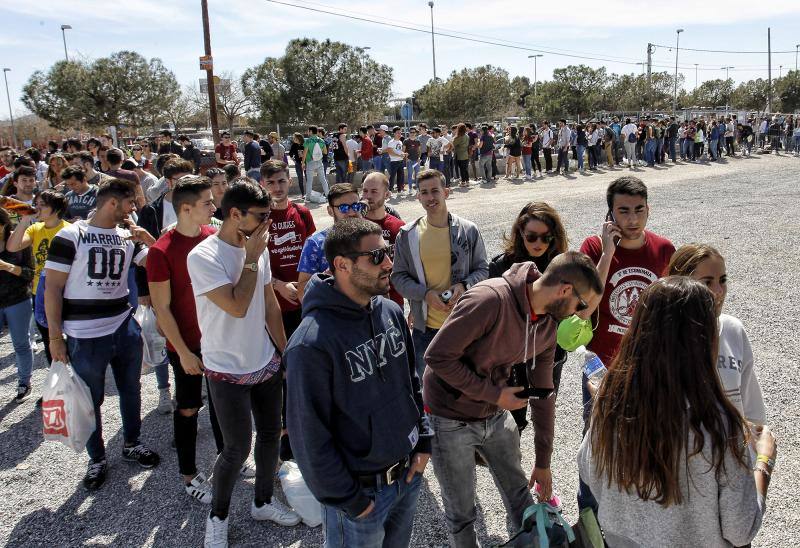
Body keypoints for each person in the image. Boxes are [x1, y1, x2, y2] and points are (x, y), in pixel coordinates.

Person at [578, 276, 776, 547]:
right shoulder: (717, 424)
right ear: (703, 339)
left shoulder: (610, 405)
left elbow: (590, 473)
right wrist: (764, 461)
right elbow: (740, 529)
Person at [425, 252, 603, 547]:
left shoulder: (547, 326)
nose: (577, 314)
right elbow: (437, 357)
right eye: (580, 306)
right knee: (462, 513)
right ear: (565, 290)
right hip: (449, 417)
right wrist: (495, 394)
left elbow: (544, 393)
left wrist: (544, 461)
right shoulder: (489, 299)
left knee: (521, 496)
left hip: (495, 413)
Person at [285, 217, 432, 548]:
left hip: (407, 475)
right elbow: (308, 436)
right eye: (377, 256)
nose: (390, 264)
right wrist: (349, 499)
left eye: (389, 252)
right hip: (361, 494)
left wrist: (424, 441)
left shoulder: (391, 312)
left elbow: (411, 383)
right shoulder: (310, 345)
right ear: (342, 265)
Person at [187, 181, 300, 547]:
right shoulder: (203, 256)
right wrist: (251, 258)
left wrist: (285, 353)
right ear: (235, 214)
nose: (269, 222)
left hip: (264, 362)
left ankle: (263, 501)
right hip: (226, 369)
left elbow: (269, 305)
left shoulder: (258, 248)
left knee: (270, 436)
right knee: (235, 449)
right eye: (262, 216)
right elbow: (236, 305)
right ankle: (217, 516)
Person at [44, 179, 160, 491]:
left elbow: (156, 261)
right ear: (112, 203)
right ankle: (97, 458)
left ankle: (131, 443)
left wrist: (150, 239)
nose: (134, 208)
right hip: (84, 335)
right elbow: (53, 287)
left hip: (124, 326)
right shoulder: (72, 235)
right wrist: (56, 337)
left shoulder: (128, 235)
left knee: (131, 389)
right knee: (90, 398)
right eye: (130, 203)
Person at [578, 176, 675, 510]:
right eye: (623, 211)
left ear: (648, 210)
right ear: (610, 214)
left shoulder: (664, 249)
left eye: (638, 210)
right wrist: (608, 252)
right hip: (601, 366)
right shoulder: (592, 247)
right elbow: (586, 306)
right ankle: (590, 514)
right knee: (596, 442)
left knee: (649, 439)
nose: (632, 220)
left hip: (649, 365)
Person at [147, 176, 223, 504]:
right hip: (186, 346)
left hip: (220, 340)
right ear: (187, 208)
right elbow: (162, 309)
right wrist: (183, 352)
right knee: (189, 408)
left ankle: (226, 460)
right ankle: (189, 475)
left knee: (222, 405)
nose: (214, 207)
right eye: (207, 202)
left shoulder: (214, 236)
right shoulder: (160, 251)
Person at [392, 169, 488, 379]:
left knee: (469, 387)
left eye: (435, 191)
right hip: (425, 330)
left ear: (446, 192)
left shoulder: (468, 230)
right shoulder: (407, 235)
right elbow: (398, 277)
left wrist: (463, 286)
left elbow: (483, 269)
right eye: (424, 192)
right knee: (430, 394)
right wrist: (425, 294)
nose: (430, 197)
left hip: (465, 326)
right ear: (418, 197)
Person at [489, 202, 574, 432]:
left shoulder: (564, 266)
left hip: (549, 354)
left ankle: (542, 465)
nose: (538, 244)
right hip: (511, 359)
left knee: (544, 417)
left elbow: (573, 312)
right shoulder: (501, 266)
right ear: (520, 233)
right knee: (509, 425)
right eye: (532, 237)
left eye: (546, 238)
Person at [668, 244, 766, 424]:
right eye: (707, 282)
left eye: (722, 280)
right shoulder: (664, 337)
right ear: (680, 286)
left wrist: (757, 446)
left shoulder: (733, 329)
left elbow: (752, 407)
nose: (719, 291)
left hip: (736, 449)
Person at [260, 159, 316, 460]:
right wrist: (280, 284)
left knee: (303, 367)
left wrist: (306, 285)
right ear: (262, 185)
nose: (278, 188)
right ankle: (283, 432)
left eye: (282, 181)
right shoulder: (259, 217)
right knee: (279, 370)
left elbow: (314, 252)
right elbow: (253, 263)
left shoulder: (302, 213)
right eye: (271, 183)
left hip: (303, 302)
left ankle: (306, 425)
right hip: (274, 306)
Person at [7, 189, 70, 368]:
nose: (38, 208)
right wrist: (25, 219)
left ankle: (77, 385)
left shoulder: (68, 230)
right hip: (40, 292)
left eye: (43, 205)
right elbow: (12, 247)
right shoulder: (35, 229)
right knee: (49, 338)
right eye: (37, 204)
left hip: (65, 292)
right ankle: (58, 382)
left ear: (56, 209)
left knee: (71, 339)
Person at [296, 183, 365, 301]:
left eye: (355, 206)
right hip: (332, 315)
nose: (352, 212)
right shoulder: (315, 244)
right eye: (344, 208)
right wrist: (329, 274)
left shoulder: (370, 239)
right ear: (330, 211)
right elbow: (302, 293)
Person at [0, 208, 35, 402]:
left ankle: (24, 382)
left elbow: (30, 273)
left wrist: (8, 267)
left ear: (5, 225)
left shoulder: (19, 241)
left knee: (21, 343)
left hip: (17, 299)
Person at [361, 172, 405, 307]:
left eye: (374, 191)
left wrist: (415, 305)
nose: (368, 196)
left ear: (386, 195)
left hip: (394, 301)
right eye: (365, 191)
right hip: (363, 302)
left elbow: (409, 268)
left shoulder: (399, 227)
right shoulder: (355, 225)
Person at [303, 125, 329, 200]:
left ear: (311, 131)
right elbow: (325, 152)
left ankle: (308, 197)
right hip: (319, 162)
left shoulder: (308, 140)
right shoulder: (321, 140)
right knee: (323, 179)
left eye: (308, 131)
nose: (308, 132)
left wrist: (303, 163)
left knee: (309, 180)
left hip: (310, 162)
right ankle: (327, 194)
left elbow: (305, 152)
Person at [386, 126, 406, 193]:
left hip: (400, 161)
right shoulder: (391, 142)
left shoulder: (400, 142)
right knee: (392, 177)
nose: (399, 134)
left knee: (400, 176)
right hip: (394, 162)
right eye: (398, 133)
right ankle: (390, 190)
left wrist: (403, 154)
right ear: (394, 133)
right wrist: (400, 155)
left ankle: (399, 190)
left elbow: (399, 151)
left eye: (400, 133)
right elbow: (390, 152)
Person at [403, 127, 422, 191]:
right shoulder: (406, 141)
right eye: (411, 132)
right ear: (409, 133)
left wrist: (419, 158)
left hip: (416, 160)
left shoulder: (418, 141)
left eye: (414, 132)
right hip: (409, 161)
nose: (412, 133)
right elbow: (403, 151)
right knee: (410, 175)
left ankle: (417, 187)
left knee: (417, 175)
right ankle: (410, 188)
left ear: (415, 133)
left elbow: (419, 151)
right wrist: (406, 158)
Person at [288, 133, 306, 197]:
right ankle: (303, 194)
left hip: (305, 163)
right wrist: (294, 160)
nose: (293, 139)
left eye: (294, 138)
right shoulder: (294, 145)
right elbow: (290, 154)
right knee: (300, 179)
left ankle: (309, 193)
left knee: (308, 178)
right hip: (298, 163)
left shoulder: (304, 144)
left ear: (298, 138)